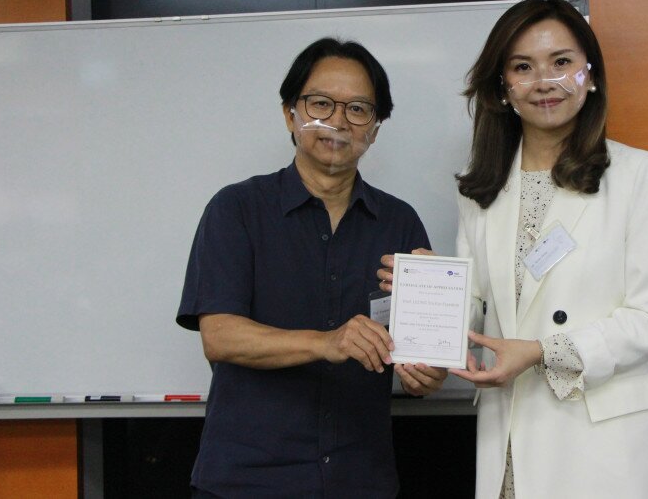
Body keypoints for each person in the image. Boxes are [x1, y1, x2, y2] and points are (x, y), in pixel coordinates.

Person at [382, 0, 648, 497]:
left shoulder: (635, 174)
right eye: (523, 67)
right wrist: (437, 292)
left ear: (591, 75)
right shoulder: (480, 189)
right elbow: (481, 308)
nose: (545, 81)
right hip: (512, 437)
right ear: (503, 88)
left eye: (562, 62)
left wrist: (542, 351)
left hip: (601, 441)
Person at [177, 38, 447, 498]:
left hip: (360, 480)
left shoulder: (400, 222)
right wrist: (327, 342)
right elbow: (219, 336)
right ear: (291, 114)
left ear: (375, 129)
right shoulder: (236, 209)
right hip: (248, 480)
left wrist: (429, 372)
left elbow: (418, 348)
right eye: (321, 103)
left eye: (358, 109)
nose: (338, 121)